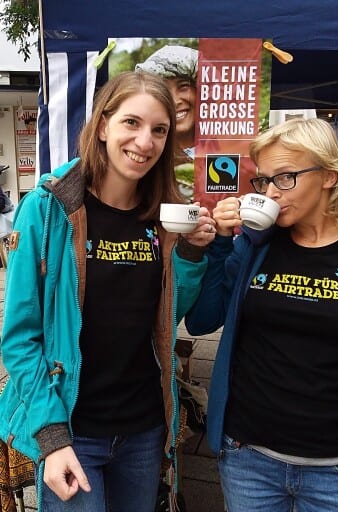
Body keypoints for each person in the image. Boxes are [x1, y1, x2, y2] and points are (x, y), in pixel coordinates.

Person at [186, 118, 338, 512]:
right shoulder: (255, 246)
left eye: (284, 178)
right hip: (249, 460)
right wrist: (218, 243)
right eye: (264, 180)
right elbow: (202, 321)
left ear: (329, 178)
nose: (270, 193)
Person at [0, 71, 217, 511]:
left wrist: (192, 255)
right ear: (102, 125)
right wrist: (52, 437)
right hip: (73, 427)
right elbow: (21, 339)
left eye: (159, 130)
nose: (145, 141)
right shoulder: (49, 208)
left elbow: (171, 316)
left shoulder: (164, 215)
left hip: (143, 428)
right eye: (131, 123)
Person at [136, 45, 198, 165]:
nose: (174, 101)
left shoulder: (231, 146)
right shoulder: (143, 154)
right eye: (163, 90)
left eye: (184, 86)